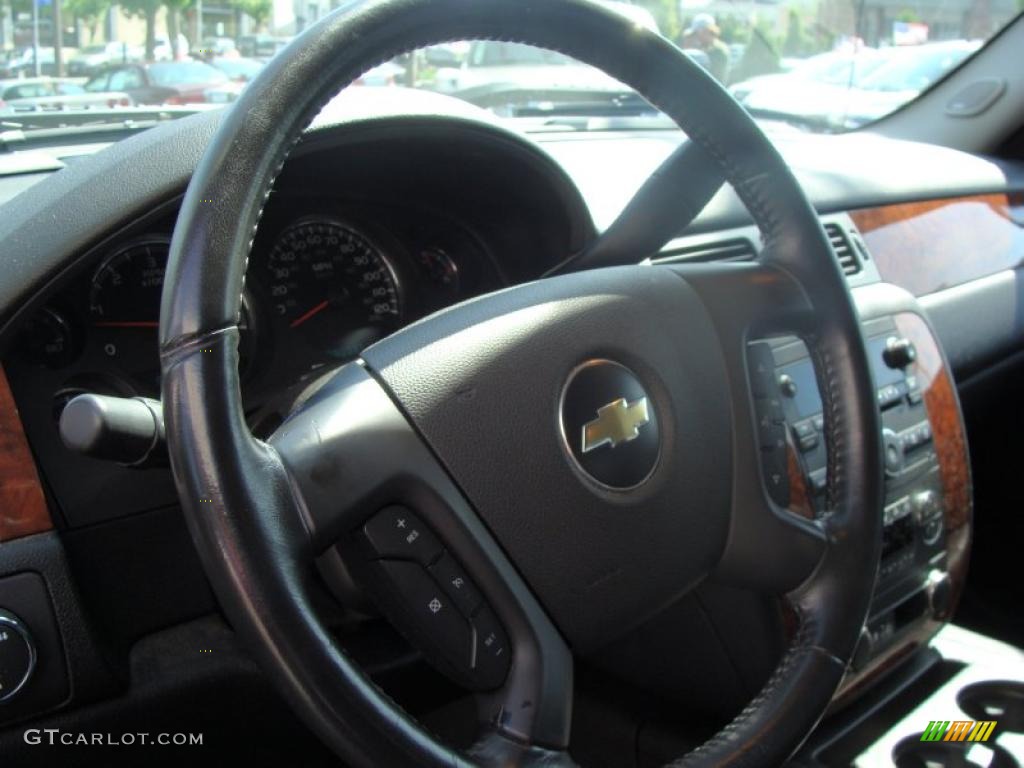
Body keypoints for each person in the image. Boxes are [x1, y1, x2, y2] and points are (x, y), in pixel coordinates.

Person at [683, 13, 730, 84]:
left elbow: (714, 78)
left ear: (707, 31)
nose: (696, 37)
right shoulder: (704, 47)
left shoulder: (718, 51)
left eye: (697, 33)